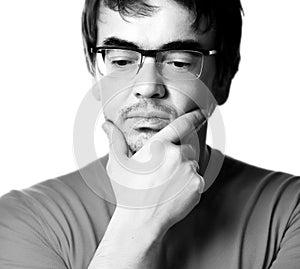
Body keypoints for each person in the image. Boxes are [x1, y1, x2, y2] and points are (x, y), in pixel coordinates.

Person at [1, 0, 300, 268]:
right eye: (121, 60)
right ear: (95, 70)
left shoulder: (290, 213)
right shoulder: (25, 220)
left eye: (179, 62)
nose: (147, 86)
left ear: (223, 75)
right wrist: (138, 220)